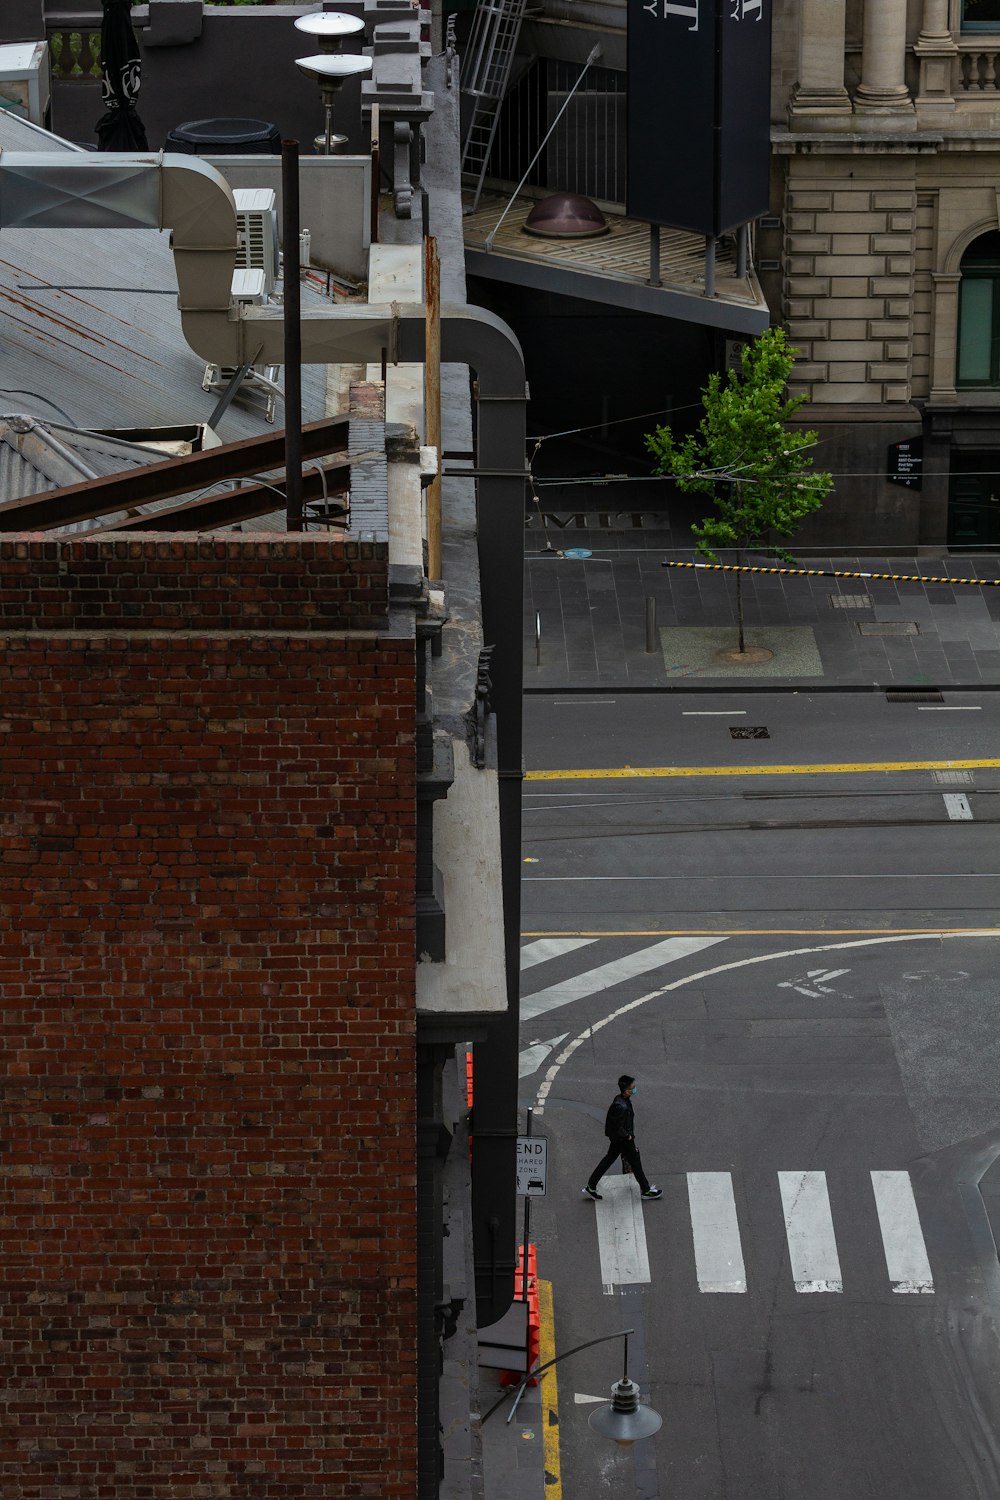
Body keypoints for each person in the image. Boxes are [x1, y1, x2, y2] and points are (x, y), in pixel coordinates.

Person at [583, 1075, 662, 1201]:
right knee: (635, 1163)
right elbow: (617, 1126)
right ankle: (646, 1190)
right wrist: (628, 1136)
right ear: (626, 1091)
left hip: (618, 1140)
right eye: (633, 1087)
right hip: (623, 1140)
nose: (635, 1089)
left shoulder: (620, 1100)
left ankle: (591, 1186)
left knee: (608, 1160)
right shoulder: (621, 1106)